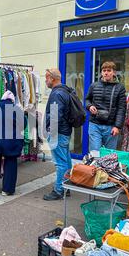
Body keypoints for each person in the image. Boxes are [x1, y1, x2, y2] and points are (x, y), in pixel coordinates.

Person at [43, 68, 73, 201]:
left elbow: (56, 115)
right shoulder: (64, 90)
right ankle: (66, 187)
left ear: (52, 78)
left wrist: (50, 129)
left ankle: (59, 190)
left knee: (60, 162)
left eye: (46, 78)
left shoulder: (57, 93)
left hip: (58, 132)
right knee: (66, 160)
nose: (45, 80)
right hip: (64, 131)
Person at [85, 61, 126, 152]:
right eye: (104, 71)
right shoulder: (94, 85)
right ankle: (95, 167)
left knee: (109, 155)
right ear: (101, 72)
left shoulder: (120, 87)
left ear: (114, 72)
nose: (106, 73)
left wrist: (117, 126)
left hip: (111, 126)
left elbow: (121, 108)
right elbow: (87, 99)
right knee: (95, 152)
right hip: (95, 124)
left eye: (109, 70)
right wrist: (89, 106)